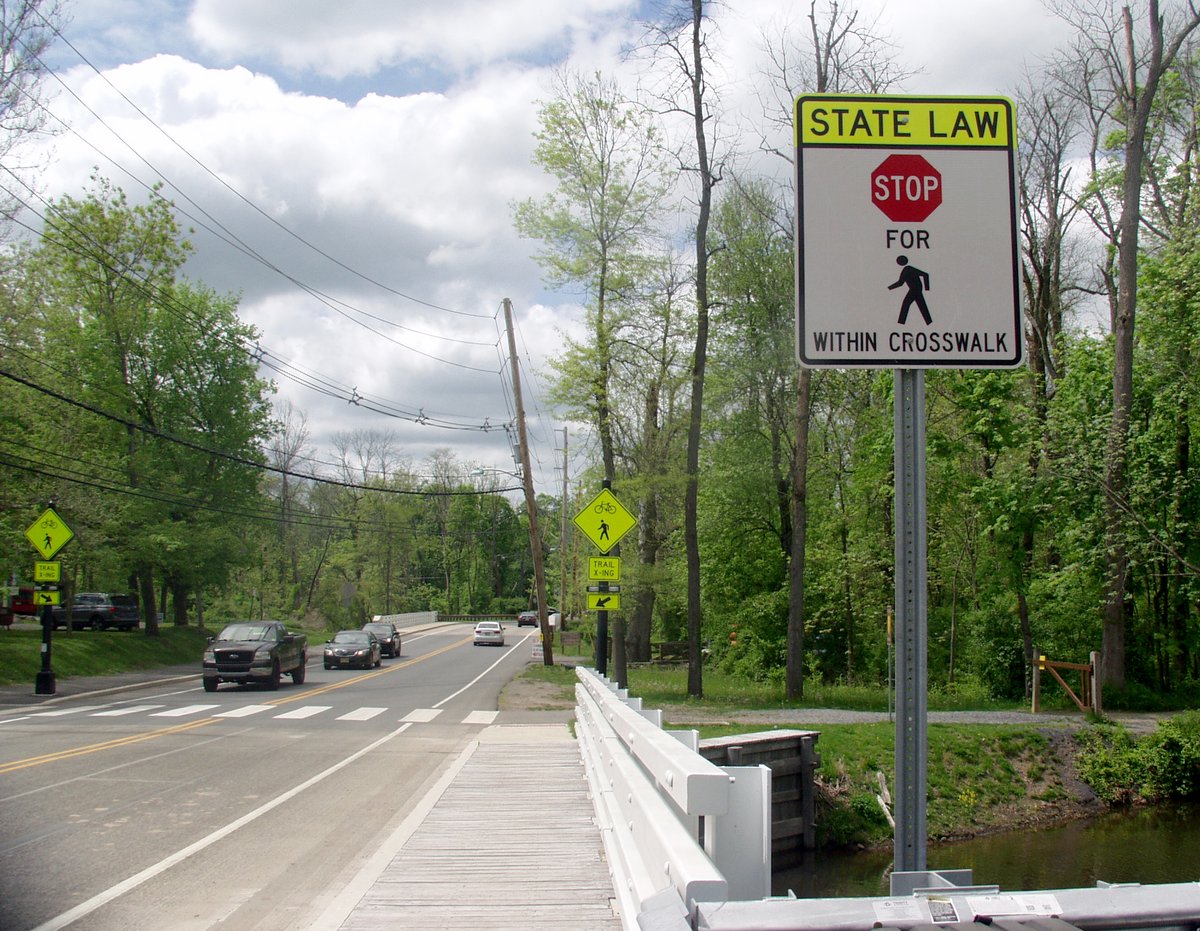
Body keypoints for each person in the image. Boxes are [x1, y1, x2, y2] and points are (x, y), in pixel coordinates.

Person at [888, 254, 932, 325]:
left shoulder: (908, 269)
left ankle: (901, 322)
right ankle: (929, 322)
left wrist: (927, 288)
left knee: (906, 303)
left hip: (915, 290)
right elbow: (900, 283)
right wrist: (889, 288)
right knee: (921, 305)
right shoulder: (906, 270)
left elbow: (925, 275)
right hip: (915, 289)